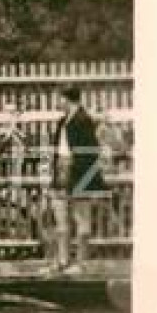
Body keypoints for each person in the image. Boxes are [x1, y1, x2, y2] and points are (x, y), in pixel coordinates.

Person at [48, 85, 107, 273]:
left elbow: (91, 153)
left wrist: (82, 176)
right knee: (60, 218)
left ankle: (82, 264)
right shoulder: (62, 122)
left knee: (82, 219)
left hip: (80, 173)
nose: (56, 103)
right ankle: (63, 261)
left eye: (58, 98)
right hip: (61, 171)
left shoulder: (84, 120)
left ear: (67, 99)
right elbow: (58, 151)